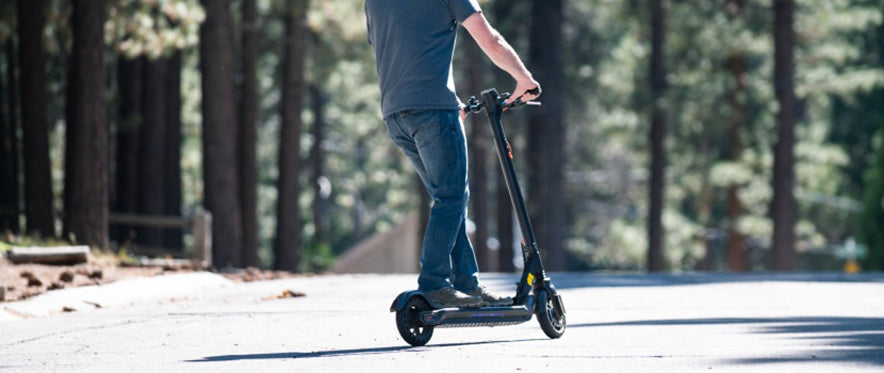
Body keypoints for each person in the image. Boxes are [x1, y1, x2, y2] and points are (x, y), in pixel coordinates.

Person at [365, 0, 540, 308]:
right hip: (433, 112)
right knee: (452, 197)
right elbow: (492, 41)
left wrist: (448, 97)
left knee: (447, 199)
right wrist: (525, 80)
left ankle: (466, 283)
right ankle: (434, 283)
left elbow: (406, 47)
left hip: (395, 113)